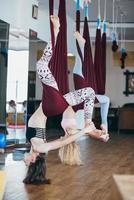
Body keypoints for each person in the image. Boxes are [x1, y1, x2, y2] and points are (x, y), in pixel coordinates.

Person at [23, 15, 109, 184]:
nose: (24, 161)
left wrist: (92, 133)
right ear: (33, 161)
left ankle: (87, 121)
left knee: (89, 91)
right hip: (51, 106)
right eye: (26, 163)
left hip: (53, 105)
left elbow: (65, 139)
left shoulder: (35, 147)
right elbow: (65, 141)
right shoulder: (41, 149)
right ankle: (55, 31)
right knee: (42, 66)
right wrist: (86, 132)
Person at [73, 31, 110, 134]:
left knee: (106, 99)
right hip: (84, 93)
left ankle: (104, 123)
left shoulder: (79, 108)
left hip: (87, 94)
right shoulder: (76, 107)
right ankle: (81, 44)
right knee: (77, 69)